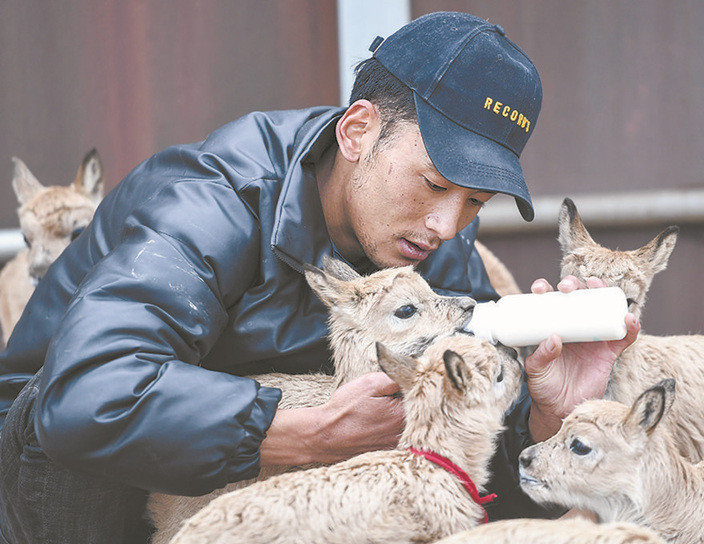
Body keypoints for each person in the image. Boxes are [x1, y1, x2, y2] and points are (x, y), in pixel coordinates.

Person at [0, 11, 639, 544]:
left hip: (244, 489)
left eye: (475, 202)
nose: (448, 224)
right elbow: (84, 398)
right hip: (51, 473)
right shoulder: (210, 202)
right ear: (358, 130)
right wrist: (311, 434)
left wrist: (546, 416)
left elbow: (464, 480)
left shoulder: (431, 250)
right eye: (435, 183)